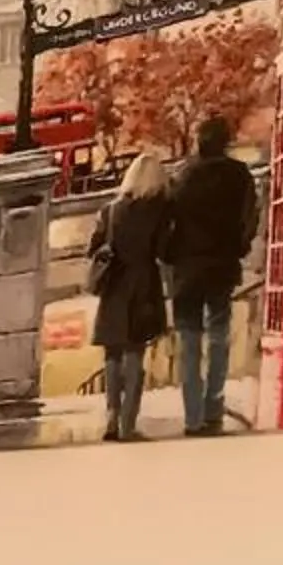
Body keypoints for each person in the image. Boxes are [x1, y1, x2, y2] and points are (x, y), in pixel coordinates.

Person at [166, 117, 259, 436]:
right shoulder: (240, 175)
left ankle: (192, 416)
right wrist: (239, 247)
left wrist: (170, 256)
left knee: (189, 340)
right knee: (219, 337)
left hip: (187, 269)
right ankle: (213, 410)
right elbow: (250, 218)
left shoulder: (183, 176)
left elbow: (169, 222)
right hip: (222, 265)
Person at [88, 151, 175, 441]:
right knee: (135, 352)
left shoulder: (111, 209)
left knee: (112, 353)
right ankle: (129, 422)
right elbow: (165, 251)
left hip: (115, 283)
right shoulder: (159, 211)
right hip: (143, 285)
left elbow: (94, 248)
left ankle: (111, 417)